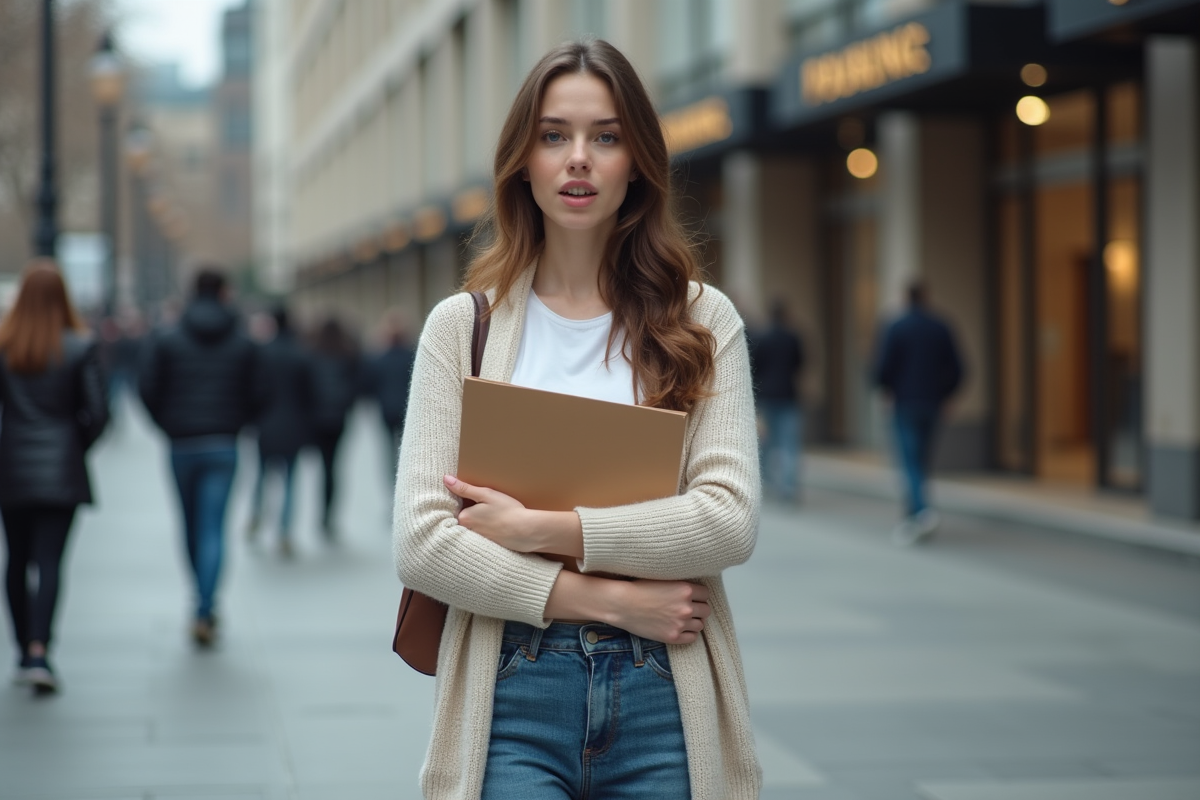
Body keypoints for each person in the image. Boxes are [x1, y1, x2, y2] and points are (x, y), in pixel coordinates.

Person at [393, 40, 761, 799]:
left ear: (638, 163)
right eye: (554, 135)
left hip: (664, 691)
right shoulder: (462, 330)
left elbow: (727, 521)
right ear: (522, 162)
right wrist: (609, 598)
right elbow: (424, 544)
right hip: (510, 690)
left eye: (607, 136)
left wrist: (540, 532)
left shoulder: (702, 320)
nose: (579, 159)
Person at [0, 263, 109, 694]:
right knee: (49, 562)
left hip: (11, 468)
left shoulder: (6, 346)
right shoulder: (79, 346)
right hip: (61, 469)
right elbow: (99, 413)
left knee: (15, 561)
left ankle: (22, 649)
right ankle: (41, 649)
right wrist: (74, 445)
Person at [139, 267, 261, 646]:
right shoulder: (243, 342)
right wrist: (238, 421)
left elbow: (147, 387)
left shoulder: (168, 338)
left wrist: (168, 425)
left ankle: (200, 598)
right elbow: (261, 390)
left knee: (190, 525)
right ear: (224, 293)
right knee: (213, 528)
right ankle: (205, 606)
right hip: (223, 443)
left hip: (182, 445)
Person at [873, 281, 964, 546]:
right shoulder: (941, 327)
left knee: (910, 461)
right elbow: (958, 367)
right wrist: (947, 395)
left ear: (905, 298)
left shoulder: (896, 327)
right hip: (933, 403)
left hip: (904, 403)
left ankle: (921, 512)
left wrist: (886, 390)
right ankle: (915, 514)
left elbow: (882, 368)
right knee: (921, 460)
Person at [247, 306, 313, 557]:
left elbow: (253, 390)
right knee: (290, 481)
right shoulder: (300, 354)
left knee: (262, 476)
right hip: (294, 426)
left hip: (266, 425)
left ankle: (256, 517)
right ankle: (284, 532)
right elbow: (309, 395)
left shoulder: (262, 353)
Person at [307, 317, 360, 540]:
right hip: (338, 418)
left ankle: (323, 513)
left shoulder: (312, 354)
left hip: (317, 418)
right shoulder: (347, 355)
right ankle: (329, 515)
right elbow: (357, 385)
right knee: (333, 467)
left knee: (323, 465)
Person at [750, 300, 806, 502]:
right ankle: (788, 487)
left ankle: (764, 482)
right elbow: (800, 364)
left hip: (765, 396)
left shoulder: (761, 337)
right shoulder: (793, 337)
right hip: (788, 395)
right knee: (789, 443)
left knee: (764, 442)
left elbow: (754, 367)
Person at [366, 311, 415, 485]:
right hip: (406, 408)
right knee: (406, 447)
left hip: (386, 409)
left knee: (388, 449)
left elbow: (370, 387)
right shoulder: (411, 357)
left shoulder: (379, 359)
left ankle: (392, 481)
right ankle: (405, 478)